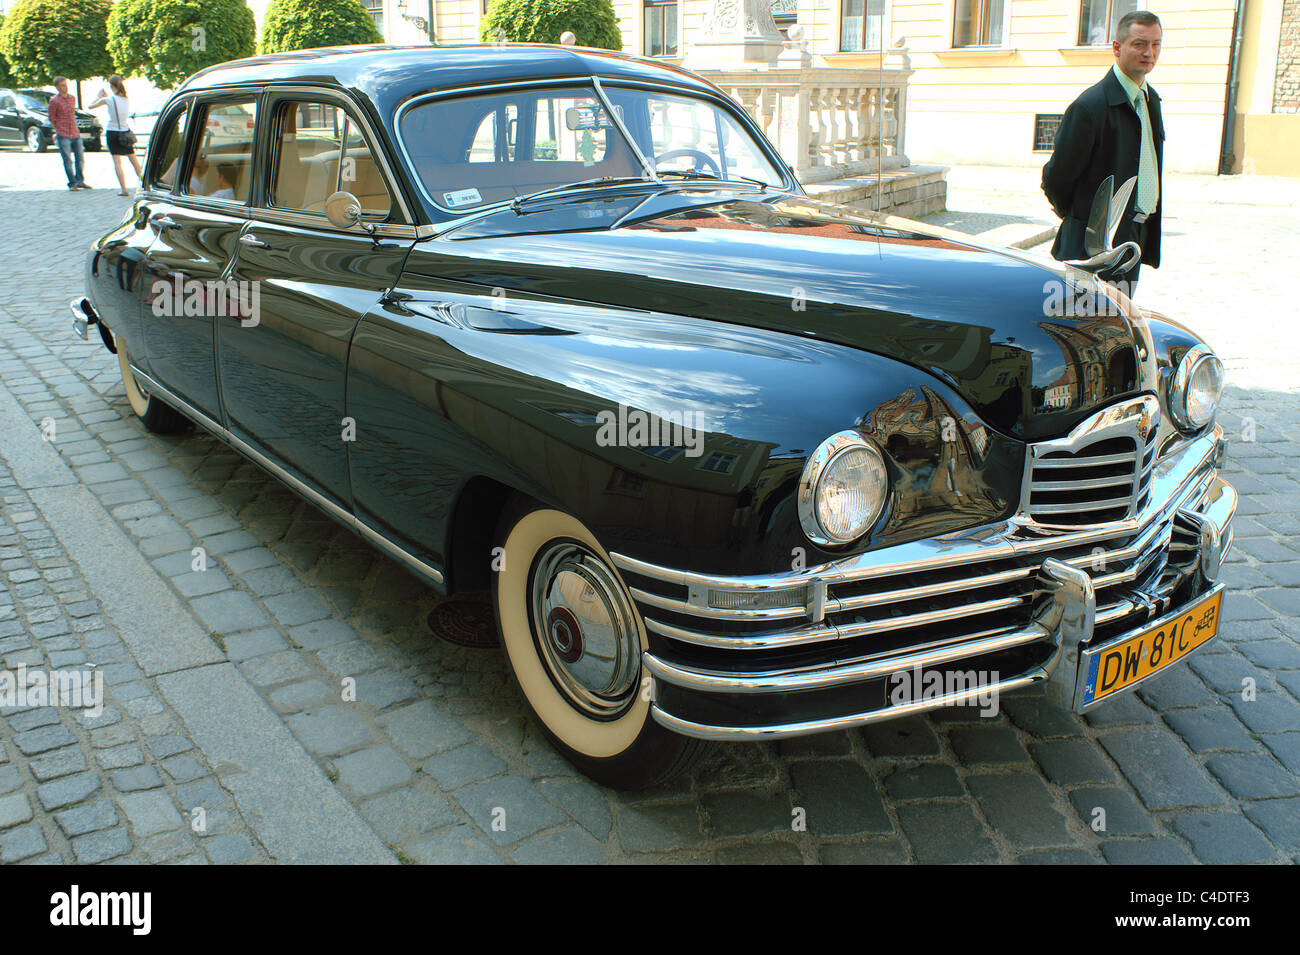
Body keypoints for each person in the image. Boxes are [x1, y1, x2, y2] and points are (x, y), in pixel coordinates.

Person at [1042, 11, 1164, 296]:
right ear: (1117, 48)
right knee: (1081, 329)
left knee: (1115, 328)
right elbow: (1057, 180)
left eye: (1156, 44)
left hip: (1131, 240)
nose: (1149, 53)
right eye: (1139, 44)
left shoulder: (1150, 100)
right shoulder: (1090, 107)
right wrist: (1085, 222)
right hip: (1091, 249)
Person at [89, 76, 142, 196]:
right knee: (133, 160)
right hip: (125, 131)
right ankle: (145, 185)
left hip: (113, 132)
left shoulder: (108, 99)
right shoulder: (126, 99)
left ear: (111, 86)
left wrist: (99, 96)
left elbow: (90, 106)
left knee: (117, 162)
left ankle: (124, 189)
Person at [48, 77, 89, 191]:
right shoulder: (54, 101)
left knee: (80, 158)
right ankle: (72, 183)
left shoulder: (72, 98)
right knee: (67, 160)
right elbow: (52, 118)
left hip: (75, 133)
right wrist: (58, 130)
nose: (65, 87)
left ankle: (80, 180)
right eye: (62, 85)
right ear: (57, 87)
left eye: (65, 84)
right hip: (63, 133)